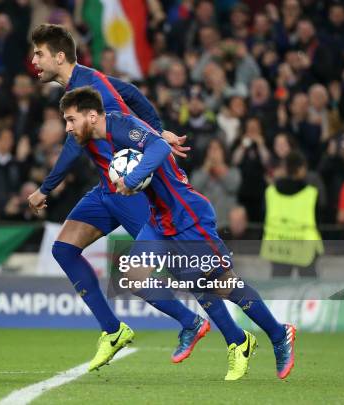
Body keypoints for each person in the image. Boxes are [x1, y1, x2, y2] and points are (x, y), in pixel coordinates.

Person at [59, 86, 296, 380]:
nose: (67, 127)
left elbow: (158, 146)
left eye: (71, 119)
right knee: (132, 276)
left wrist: (132, 178)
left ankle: (277, 334)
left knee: (223, 285)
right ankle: (197, 325)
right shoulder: (105, 134)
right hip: (159, 222)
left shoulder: (121, 127)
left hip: (187, 217)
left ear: (91, 116)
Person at [27, 24, 211, 370]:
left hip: (130, 190)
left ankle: (224, 329)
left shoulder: (90, 89)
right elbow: (133, 93)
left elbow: (74, 144)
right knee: (63, 249)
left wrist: (45, 188)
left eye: (39, 53)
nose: (33, 60)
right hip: (106, 190)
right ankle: (113, 331)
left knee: (176, 265)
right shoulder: (88, 81)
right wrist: (157, 127)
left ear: (59, 56)